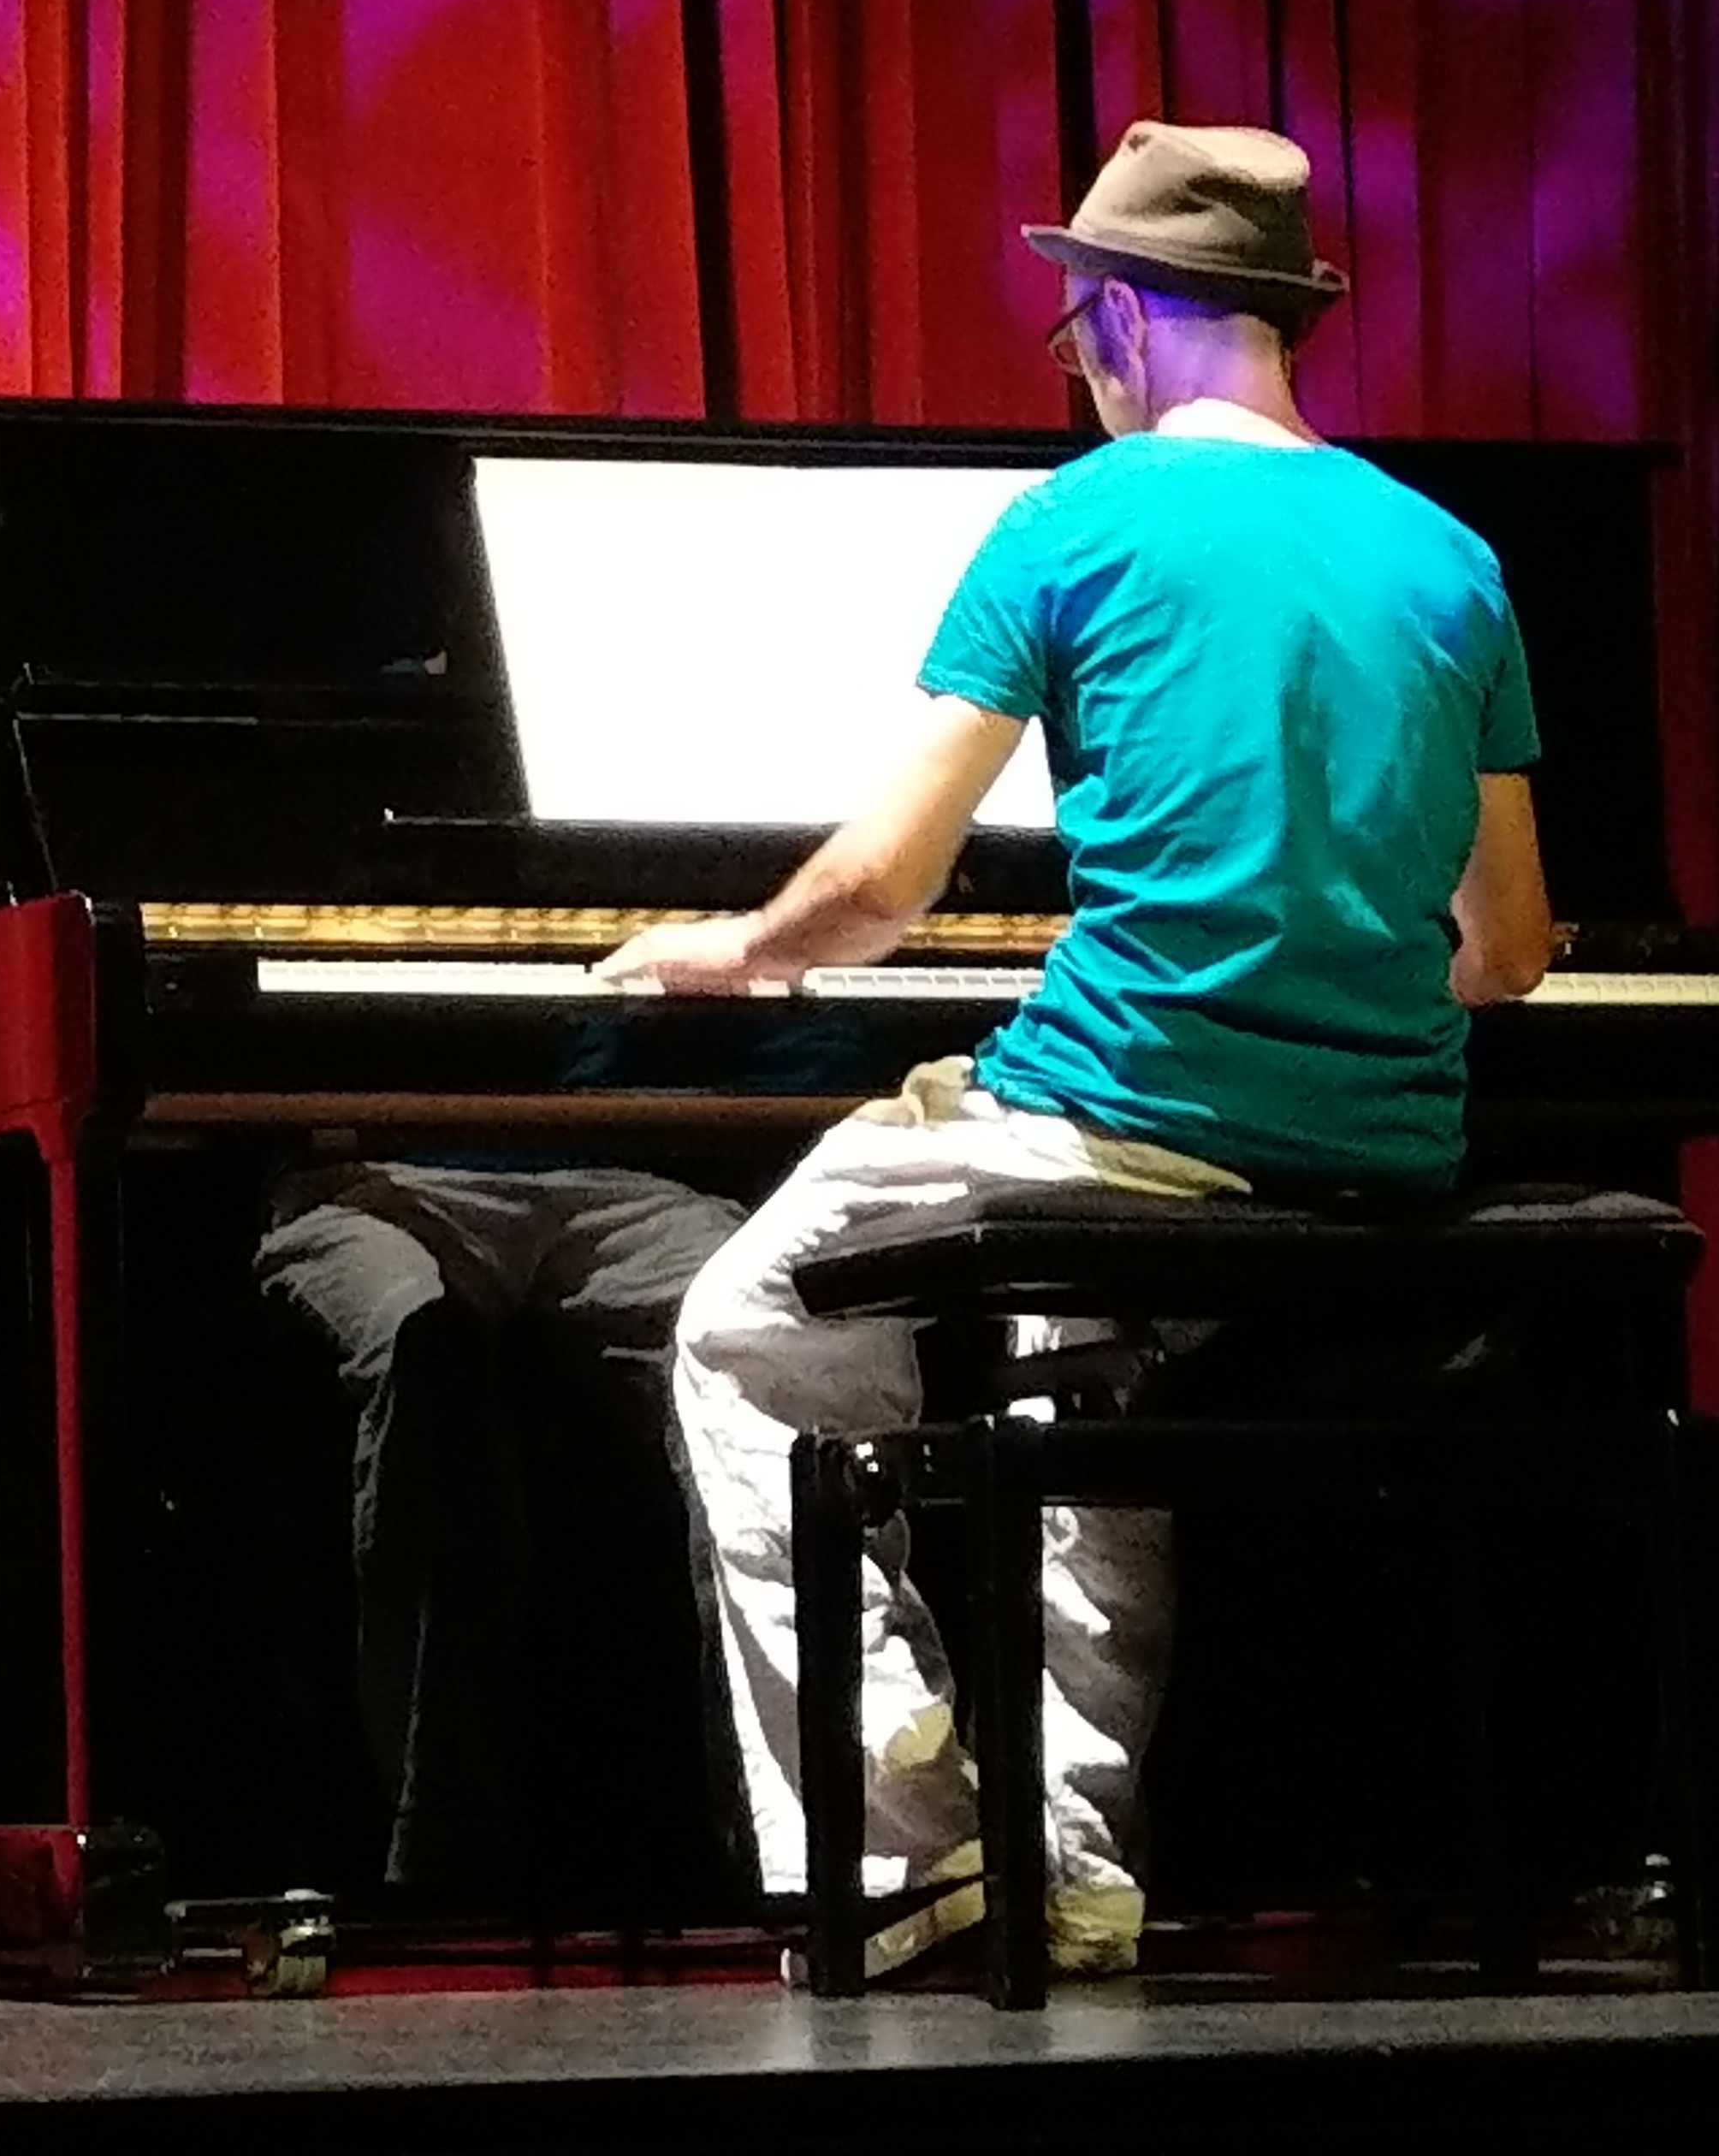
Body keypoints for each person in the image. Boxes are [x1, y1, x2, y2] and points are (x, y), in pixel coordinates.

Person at [594, 120, 1556, 1980]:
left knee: (745, 1334)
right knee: (1078, 1350)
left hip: (1123, 1116)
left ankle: (903, 1842)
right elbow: (1504, 950)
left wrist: (738, 946)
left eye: (1073, 334)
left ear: (1118, 317)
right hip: (1376, 1150)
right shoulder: (1453, 560)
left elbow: (881, 885)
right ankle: (1080, 1868)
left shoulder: (1070, 523)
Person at [257, 1158, 748, 1907]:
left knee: (768, 1331)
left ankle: (815, 1843)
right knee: (427, 1346)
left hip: (620, 1179)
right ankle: (435, 1858)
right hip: (368, 1185)